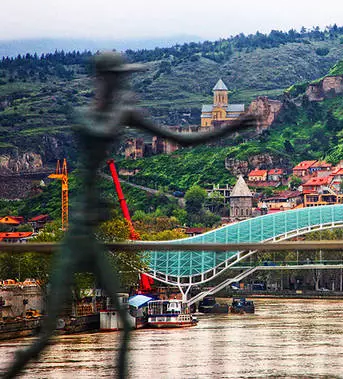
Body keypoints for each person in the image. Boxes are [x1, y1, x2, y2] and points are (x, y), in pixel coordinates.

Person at [4, 51, 254, 379]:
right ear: (107, 78)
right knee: (50, 334)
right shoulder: (100, 114)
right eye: (118, 77)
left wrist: (229, 128)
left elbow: (182, 139)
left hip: (92, 233)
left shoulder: (105, 113)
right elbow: (176, 138)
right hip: (80, 233)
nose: (122, 82)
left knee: (121, 324)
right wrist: (230, 128)